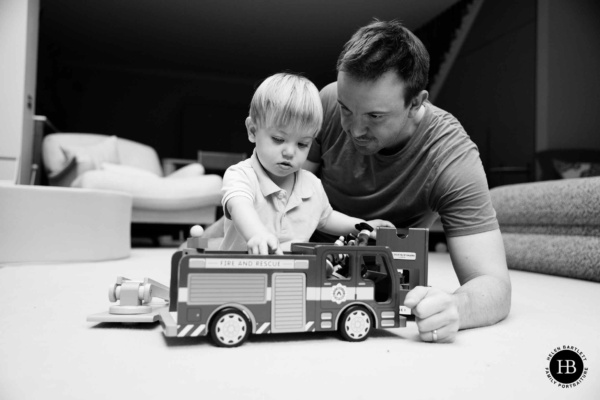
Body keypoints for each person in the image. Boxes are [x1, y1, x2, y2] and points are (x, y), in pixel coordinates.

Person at [301, 19, 511, 343]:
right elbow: (275, 188)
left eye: (375, 116)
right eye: (347, 109)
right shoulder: (328, 101)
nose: (354, 130)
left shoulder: (451, 157)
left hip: (381, 279)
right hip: (304, 256)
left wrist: (455, 306)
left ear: (416, 103)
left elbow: (493, 283)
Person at [219, 72, 393, 254]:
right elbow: (239, 205)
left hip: (292, 277)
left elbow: (326, 218)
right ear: (253, 131)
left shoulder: (311, 185)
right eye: (278, 139)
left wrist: (362, 225)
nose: (290, 152)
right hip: (242, 274)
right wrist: (257, 234)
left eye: (302, 144)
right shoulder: (241, 175)